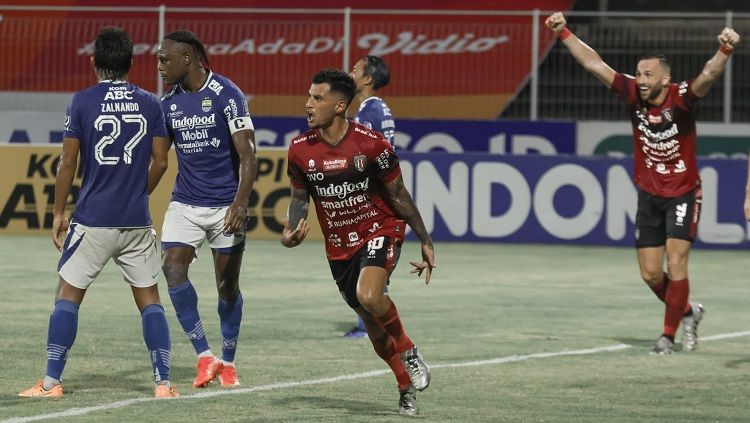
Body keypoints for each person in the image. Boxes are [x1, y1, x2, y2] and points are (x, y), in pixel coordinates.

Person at [545, 13, 740, 354]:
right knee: (651, 274)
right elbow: (595, 64)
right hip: (649, 194)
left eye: (649, 74)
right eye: (638, 73)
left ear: (667, 78)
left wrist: (724, 50)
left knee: (676, 263)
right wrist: (564, 33)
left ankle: (667, 336)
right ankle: (690, 312)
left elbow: (707, 77)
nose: (641, 79)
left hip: (684, 193)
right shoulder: (632, 93)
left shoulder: (680, 98)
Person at [18, 27, 177, 398]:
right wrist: (139, 192)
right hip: (136, 220)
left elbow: (67, 162)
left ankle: (51, 382)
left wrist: (59, 213)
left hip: (92, 219)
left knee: (67, 296)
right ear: (131, 63)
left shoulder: (82, 101)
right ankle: (163, 384)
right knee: (149, 300)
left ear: (94, 62)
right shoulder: (151, 103)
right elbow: (160, 161)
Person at [281, 68, 435, 416]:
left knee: (370, 295)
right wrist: (291, 230)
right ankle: (404, 385)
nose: (308, 104)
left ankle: (409, 350)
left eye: (317, 98)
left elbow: (398, 194)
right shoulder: (299, 149)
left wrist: (424, 238)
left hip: (379, 229)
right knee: (369, 323)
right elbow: (299, 198)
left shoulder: (371, 143)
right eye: (309, 96)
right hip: (339, 246)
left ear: (339, 105)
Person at [157, 30, 257, 388]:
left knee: (226, 287)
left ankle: (227, 361)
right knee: (171, 269)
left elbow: (248, 155)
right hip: (185, 202)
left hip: (225, 208)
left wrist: (240, 202)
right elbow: (158, 160)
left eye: (165, 59)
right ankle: (204, 355)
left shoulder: (227, 95)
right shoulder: (166, 103)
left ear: (187, 58)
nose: (160, 66)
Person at [343, 55, 396, 338]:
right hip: (380, 195)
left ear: (367, 79)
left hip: (370, 198)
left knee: (364, 259)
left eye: (355, 69)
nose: (350, 72)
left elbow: (359, 156)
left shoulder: (368, 112)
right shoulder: (378, 109)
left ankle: (371, 324)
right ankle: (375, 321)